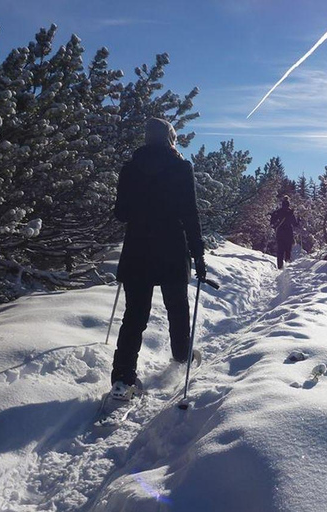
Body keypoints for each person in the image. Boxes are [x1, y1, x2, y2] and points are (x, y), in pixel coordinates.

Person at [110, 117, 206, 400]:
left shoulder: (129, 169)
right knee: (177, 308)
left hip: (137, 248)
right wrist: (198, 253)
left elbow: (121, 213)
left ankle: (122, 379)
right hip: (172, 249)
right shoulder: (180, 168)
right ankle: (181, 359)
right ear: (170, 138)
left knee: (134, 316)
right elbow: (190, 213)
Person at [270, 195, 298, 269]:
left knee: (280, 249)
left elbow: (272, 222)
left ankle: (280, 266)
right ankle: (287, 264)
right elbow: (295, 224)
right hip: (289, 232)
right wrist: (299, 221)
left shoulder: (277, 212)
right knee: (288, 249)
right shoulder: (291, 212)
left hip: (280, 232)